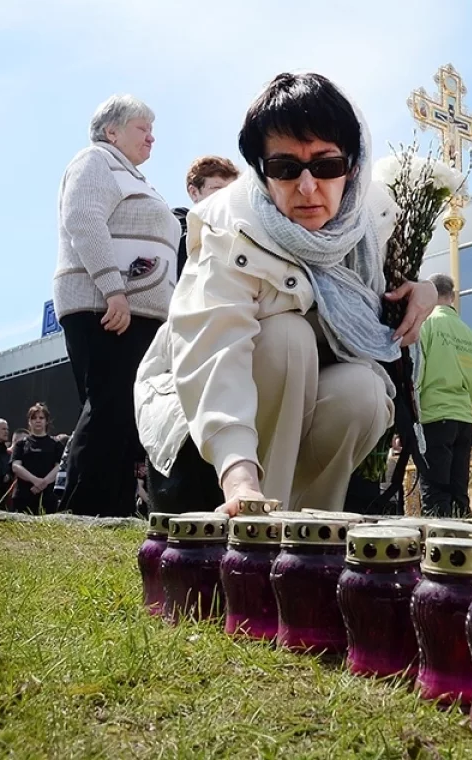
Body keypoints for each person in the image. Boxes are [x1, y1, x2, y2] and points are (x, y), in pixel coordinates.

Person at [135, 72, 437, 516]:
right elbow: (213, 349)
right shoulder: (229, 224)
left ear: (352, 166)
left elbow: (372, 306)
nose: (309, 186)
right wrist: (238, 476)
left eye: (327, 165)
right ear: (261, 173)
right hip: (204, 442)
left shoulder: (369, 226)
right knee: (287, 338)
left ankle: (312, 535)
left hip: (301, 415)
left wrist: (423, 290)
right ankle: (254, 530)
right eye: (285, 169)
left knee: (364, 391)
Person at [54, 94, 178, 517]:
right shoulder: (95, 162)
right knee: (110, 405)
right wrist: (113, 289)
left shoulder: (134, 177)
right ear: (112, 130)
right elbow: (84, 221)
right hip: (105, 305)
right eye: (142, 129)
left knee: (127, 413)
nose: (152, 138)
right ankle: (84, 511)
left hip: (138, 312)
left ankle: (115, 509)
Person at [417, 273, 472, 517]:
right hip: (464, 421)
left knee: (436, 494)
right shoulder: (470, 335)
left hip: (435, 416)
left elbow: (417, 375)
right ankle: (461, 546)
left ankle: (438, 547)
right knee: (459, 494)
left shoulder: (427, 325)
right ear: (453, 297)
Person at [173, 156, 240, 278]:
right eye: (217, 189)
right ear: (194, 192)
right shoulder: (178, 219)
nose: (227, 196)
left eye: (232, 190)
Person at [11, 404, 65, 514]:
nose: (38, 421)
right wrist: (34, 480)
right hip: (24, 496)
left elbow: (59, 466)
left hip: (48, 497)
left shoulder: (56, 444)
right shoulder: (21, 444)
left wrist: (43, 483)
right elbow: (15, 466)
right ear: (29, 422)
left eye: (41, 418)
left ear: (46, 421)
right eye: (34, 418)